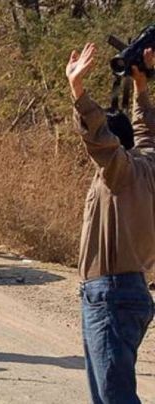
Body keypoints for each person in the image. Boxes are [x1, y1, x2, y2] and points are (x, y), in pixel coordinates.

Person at [67, 42, 155, 403]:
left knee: (114, 397)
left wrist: (78, 91)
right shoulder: (148, 162)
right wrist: (141, 85)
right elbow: (147, 130)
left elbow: (100, 140)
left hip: (111, 296)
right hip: (131, 290)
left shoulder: (118, 171)